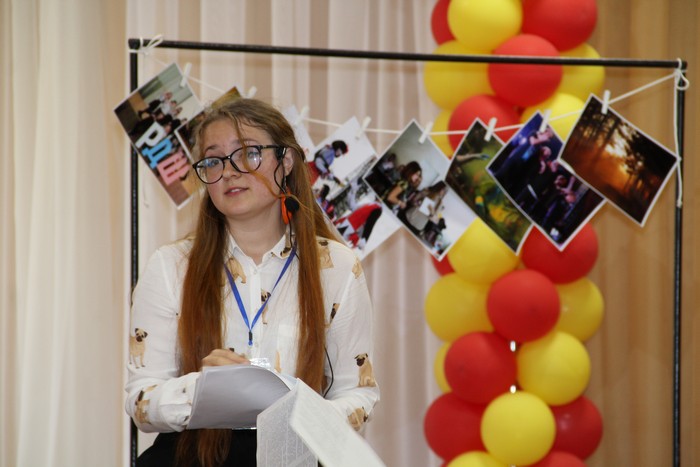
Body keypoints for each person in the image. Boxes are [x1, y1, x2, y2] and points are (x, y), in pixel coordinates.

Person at [125, 98, 380, 467]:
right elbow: (140, 400)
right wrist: (202, 389)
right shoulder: (170, 266)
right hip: (192, 456)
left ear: (286, 161)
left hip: (294, 456)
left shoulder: (338, 267)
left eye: (248, 154)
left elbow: (358, 394)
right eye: (213, 160)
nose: (229, 172)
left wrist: (299, 411)